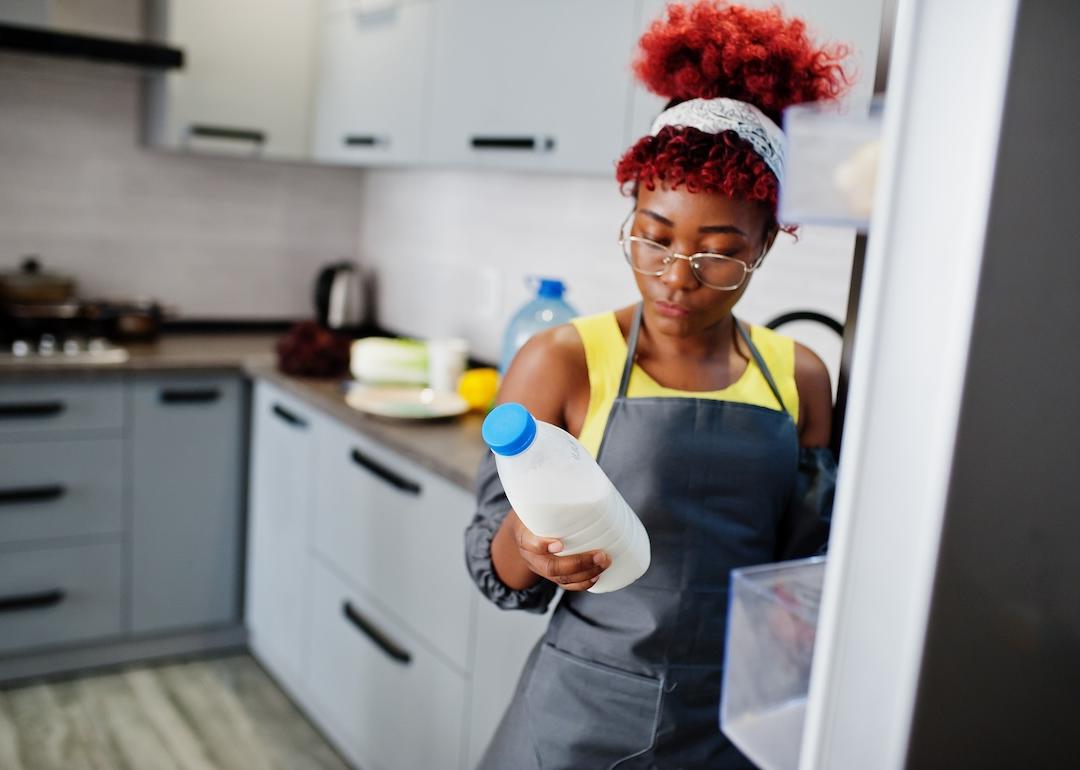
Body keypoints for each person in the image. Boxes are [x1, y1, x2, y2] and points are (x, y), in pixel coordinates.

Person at [464, 2, 850, 766]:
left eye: (719, 252)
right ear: (634, 207)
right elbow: (490, 561)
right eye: (654, 236)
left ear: (767, 243)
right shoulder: (562, 359)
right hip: (579, 714)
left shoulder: (798, 377)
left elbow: (802, 571)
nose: (677, 277)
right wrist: (531, 548)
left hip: (733, 719)